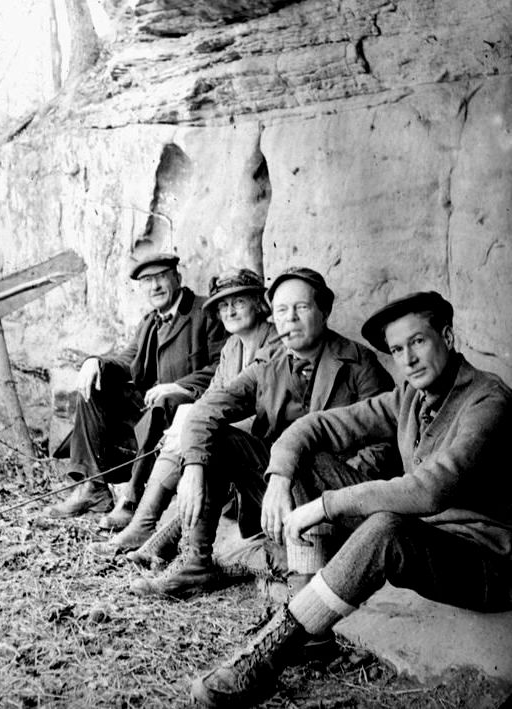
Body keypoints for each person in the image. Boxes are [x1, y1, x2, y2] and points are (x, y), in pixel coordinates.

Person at [190, 291, 512, 708]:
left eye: (418, 342)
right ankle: (310, 619)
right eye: (397, 350)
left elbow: (430, 490)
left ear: (447, 337)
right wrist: (279, 476)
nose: (408, 359)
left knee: (385, 526)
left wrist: (326, 505)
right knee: (310, 461)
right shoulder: (410, 397)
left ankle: (274, 651)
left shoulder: (487, 400)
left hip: (486, 562)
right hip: (426, 537)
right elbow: (315, 426)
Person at [131, 266, 395, 598]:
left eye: (302, 308)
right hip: (278, 492)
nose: (291, 319)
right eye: (282, 310)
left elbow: (387, 442)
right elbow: (206, 410)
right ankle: (198, 565)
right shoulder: (269, 362)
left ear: (325, 311)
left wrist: (333, 494)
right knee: (219, 438)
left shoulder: (358, 363)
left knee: (306, 452)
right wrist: (194, 468)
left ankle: (304, 562)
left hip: (341, 497)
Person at [90, 268, 276, 560]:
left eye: (238, 302)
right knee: (188, 420)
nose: (229, 311)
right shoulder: (232, 347)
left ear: (258, 303)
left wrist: (193, 425)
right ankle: (146, 529)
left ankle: (146, 528)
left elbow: (254, 408)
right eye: (223, 305)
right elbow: (213, 396)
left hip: (262, 454)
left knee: (195, 425)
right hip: (229, 444)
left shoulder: (275, 343)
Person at [44, 252, 226, 521]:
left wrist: (178, 386)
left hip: (187, 409)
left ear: (177, 277)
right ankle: (94, 486)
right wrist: (96, 362)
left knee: (161, 404)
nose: (155, 286)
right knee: (94, 386)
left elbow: (222, 365)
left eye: (161, 277)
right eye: (147, 281)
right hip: (151, 410)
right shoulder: (150, 322)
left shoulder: (204, 312)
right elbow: (129, 360)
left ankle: (132, 499)